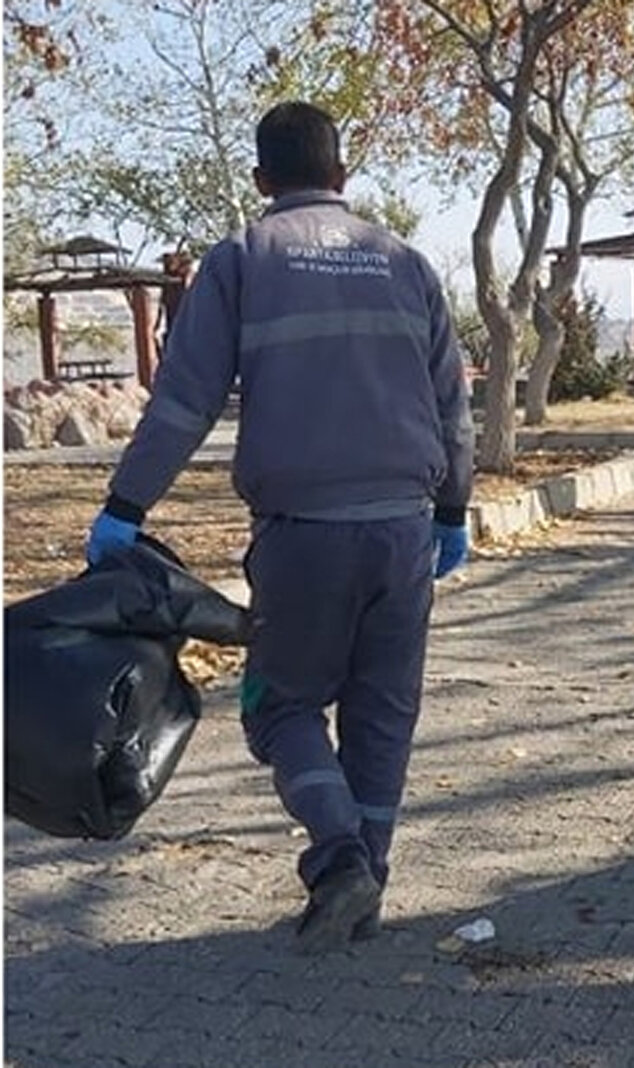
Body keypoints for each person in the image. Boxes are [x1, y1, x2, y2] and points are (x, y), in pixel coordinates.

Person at [85, 101, 474, 954]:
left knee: (277, 704)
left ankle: (340, 862)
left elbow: (182, 404)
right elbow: (454, 406)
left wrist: (125, 509)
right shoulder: (405, 262)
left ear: (262, 182)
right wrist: (455, 510)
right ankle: (366, 876)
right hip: (406, 533)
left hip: (304, 534)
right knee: (382, 716)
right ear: (343, 177)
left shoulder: (242, 260)